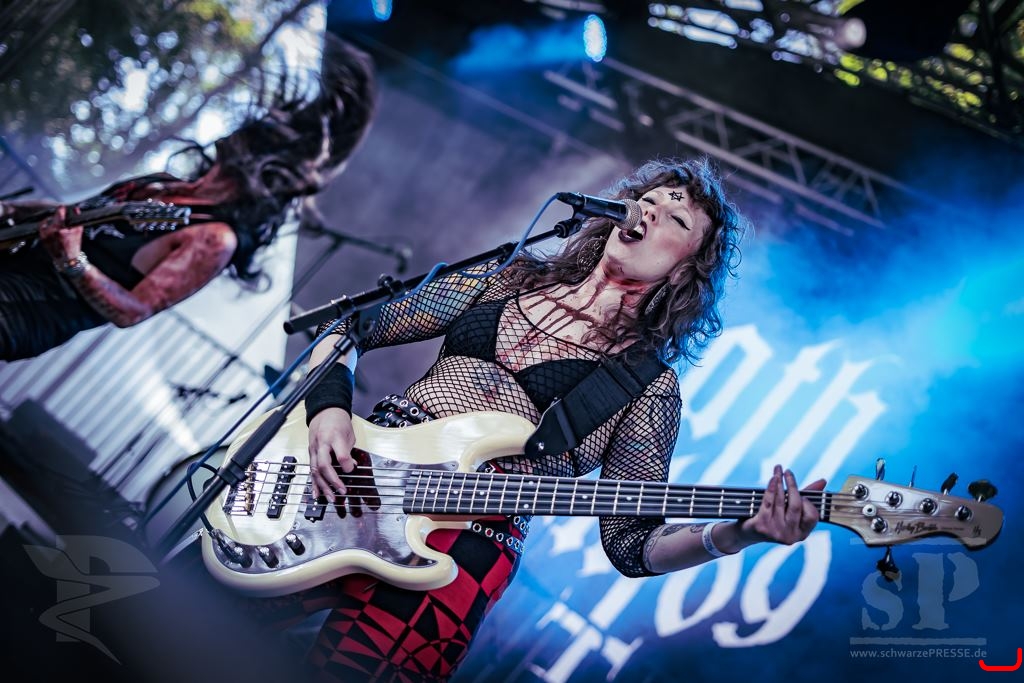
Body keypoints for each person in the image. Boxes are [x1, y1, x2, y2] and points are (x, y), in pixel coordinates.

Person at [268, 157, 825, 681]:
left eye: (677, 219)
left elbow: (634, 544)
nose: (652, 212)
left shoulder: (644, 383)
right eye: (649, 201)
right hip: (348, 477)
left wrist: (740, 532)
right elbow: (351, 327)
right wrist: (329, 411)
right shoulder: (509, 277)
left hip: (462, 548)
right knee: (215, 621)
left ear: (686, 271)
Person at [0, 39, 376, 362]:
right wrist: (12, 210)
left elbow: (133, 311)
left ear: (262, 158)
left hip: (30, 308)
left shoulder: (214, 238)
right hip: (15, 263)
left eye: (255, 133)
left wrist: (73, 262)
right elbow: (74, 216)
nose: (241, 129)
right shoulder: (164, 185)